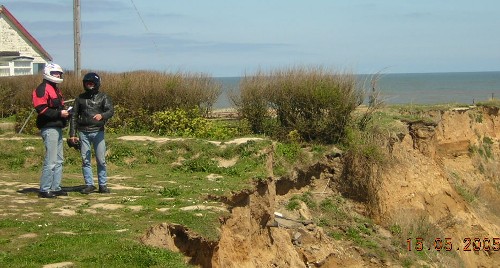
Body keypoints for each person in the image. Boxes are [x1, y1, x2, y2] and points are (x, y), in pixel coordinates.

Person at [69, 72, 114, 194]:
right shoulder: (79, 98)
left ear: (97, 84)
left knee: (101, 159)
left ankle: (102, 185)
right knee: (85, 160)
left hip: (98, 132)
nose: (89, 85)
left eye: (91, 83)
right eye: (87, 83)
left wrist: (102, 115)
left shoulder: (104, 97)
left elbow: (110, 111)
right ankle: (89, 184)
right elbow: (73, 116)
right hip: (83, 132)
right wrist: (72, 134)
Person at [32, 63, 70, 198]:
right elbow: (41, 109)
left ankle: (55, 187)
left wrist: (67, 113)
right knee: (51, 160)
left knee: (59, 160)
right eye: (55, 73)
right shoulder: (42, 88)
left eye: (59, 73)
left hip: (57, 127)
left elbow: (58, 107)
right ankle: (45, 188)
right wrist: (60, 114)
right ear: (48, 73)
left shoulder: (56, 89)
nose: (58, 75)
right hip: (49, 128)